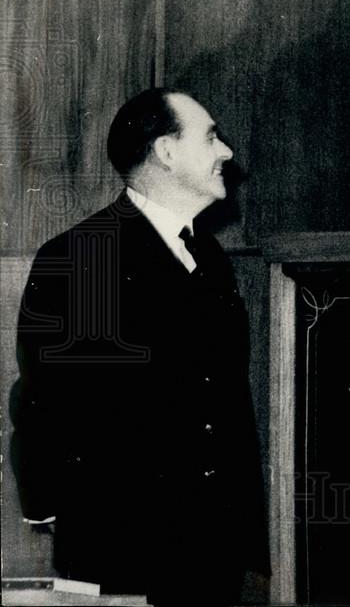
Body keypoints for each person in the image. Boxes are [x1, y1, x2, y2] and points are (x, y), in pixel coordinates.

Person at [10, 88, 269, 604]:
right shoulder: (82, 256)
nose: (227, 153)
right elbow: (43, 403)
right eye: (212, 137)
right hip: (124, 553)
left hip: (212, 549)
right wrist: (60, 512)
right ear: (166, 152)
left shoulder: (210, 258)